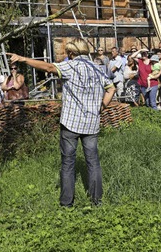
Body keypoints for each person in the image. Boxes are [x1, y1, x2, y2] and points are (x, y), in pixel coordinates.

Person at [8, 38, 115, 207]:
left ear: (72, 53)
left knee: (68, 163)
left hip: (71, 123)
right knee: (93, 162)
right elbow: (112, 88)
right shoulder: (97, 68)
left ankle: (66, 203)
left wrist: (23, 59)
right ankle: (97, 201)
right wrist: (101, 107)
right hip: (91, 123)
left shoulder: (70, 66)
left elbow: (50, 67)